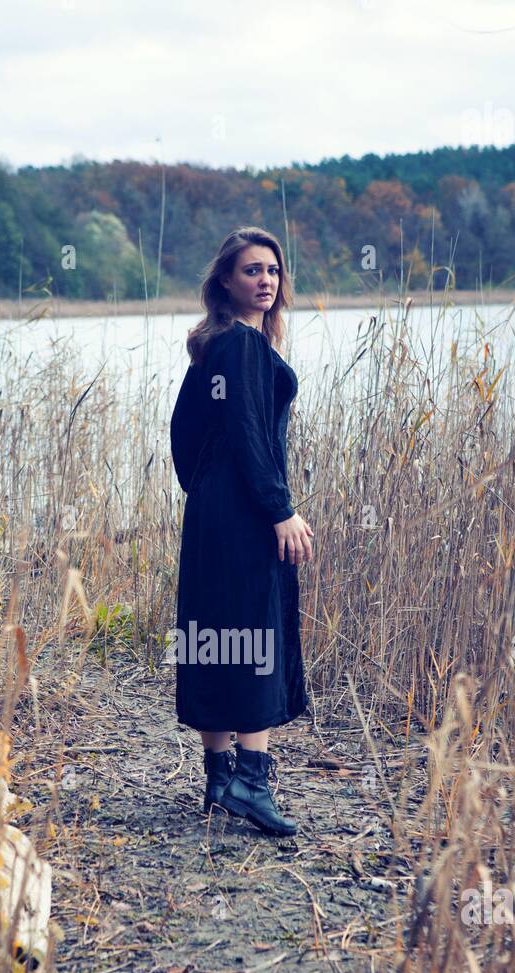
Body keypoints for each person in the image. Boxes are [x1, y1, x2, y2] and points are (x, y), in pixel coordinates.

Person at [169, 226, 313, 836]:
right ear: (226, 280)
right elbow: (254, 439)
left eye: (273, 272)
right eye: (252, 271)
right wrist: (279, 508)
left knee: (212, 632)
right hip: (248, 513)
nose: (266, 281)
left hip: (210, 514)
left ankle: (218, 778)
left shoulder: (214, 347)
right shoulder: (243, 349)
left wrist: (206, 494)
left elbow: (182, 437)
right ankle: (250, 783)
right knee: (254, 632)